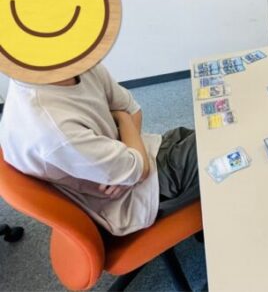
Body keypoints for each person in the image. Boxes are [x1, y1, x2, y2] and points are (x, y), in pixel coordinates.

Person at [0, 63, 199, 236]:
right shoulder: (51, 127)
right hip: (134, 197)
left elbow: (133, 109)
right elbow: (140, 170)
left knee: (201, 136)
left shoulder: (82, 65)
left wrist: (128, 156)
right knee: (213, 150)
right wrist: (122, 119)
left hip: (137, 159)